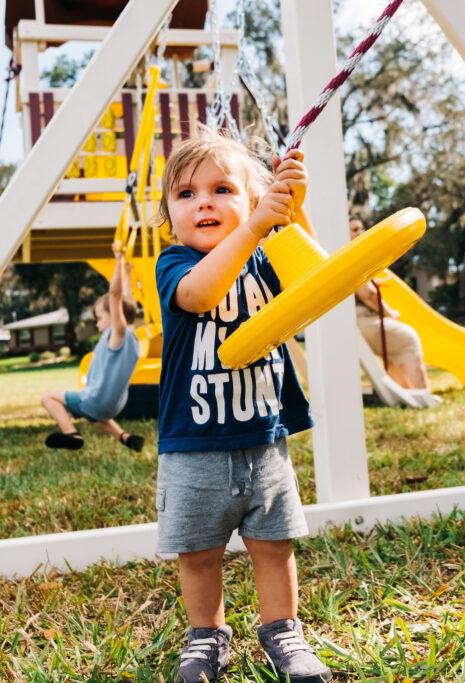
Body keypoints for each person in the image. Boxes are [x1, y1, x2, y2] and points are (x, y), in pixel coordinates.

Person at [154, 131, 332, 683]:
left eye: (222, 188)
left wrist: (293, 214)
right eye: (185, 194)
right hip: (194, 448)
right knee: (199, 554)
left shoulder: (267, 256)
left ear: (252, 200)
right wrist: (255, 223)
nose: (203, 201)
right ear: (169, 215)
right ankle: (206, 637)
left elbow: (317, 280)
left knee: (273, 546)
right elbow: (202, 295)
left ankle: (284, 632)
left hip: (263, 440)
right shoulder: (174, 263)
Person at [40, 242, 144, 452]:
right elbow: (127, 300)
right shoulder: (132, 336)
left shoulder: (118, 334)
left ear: (115, 316)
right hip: (113, 405)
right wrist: (126, 272)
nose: (97, 324)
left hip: (96, 400)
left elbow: (116, 297)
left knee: (48, 397)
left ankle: (71, 434)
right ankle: (125, 437)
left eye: (99, 318)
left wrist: (118, 260)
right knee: (93, 415)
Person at [349, 216, 430, 391]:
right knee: (408, 338)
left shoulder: (355, 257)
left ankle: (405, 391)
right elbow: (369, 295)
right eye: (354, 229)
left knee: (397, 347)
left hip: (359, 322)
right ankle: (422, 394)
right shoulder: (350, 257)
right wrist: (389, 314)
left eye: (361, 228)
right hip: (361, 321)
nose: (360, 232)